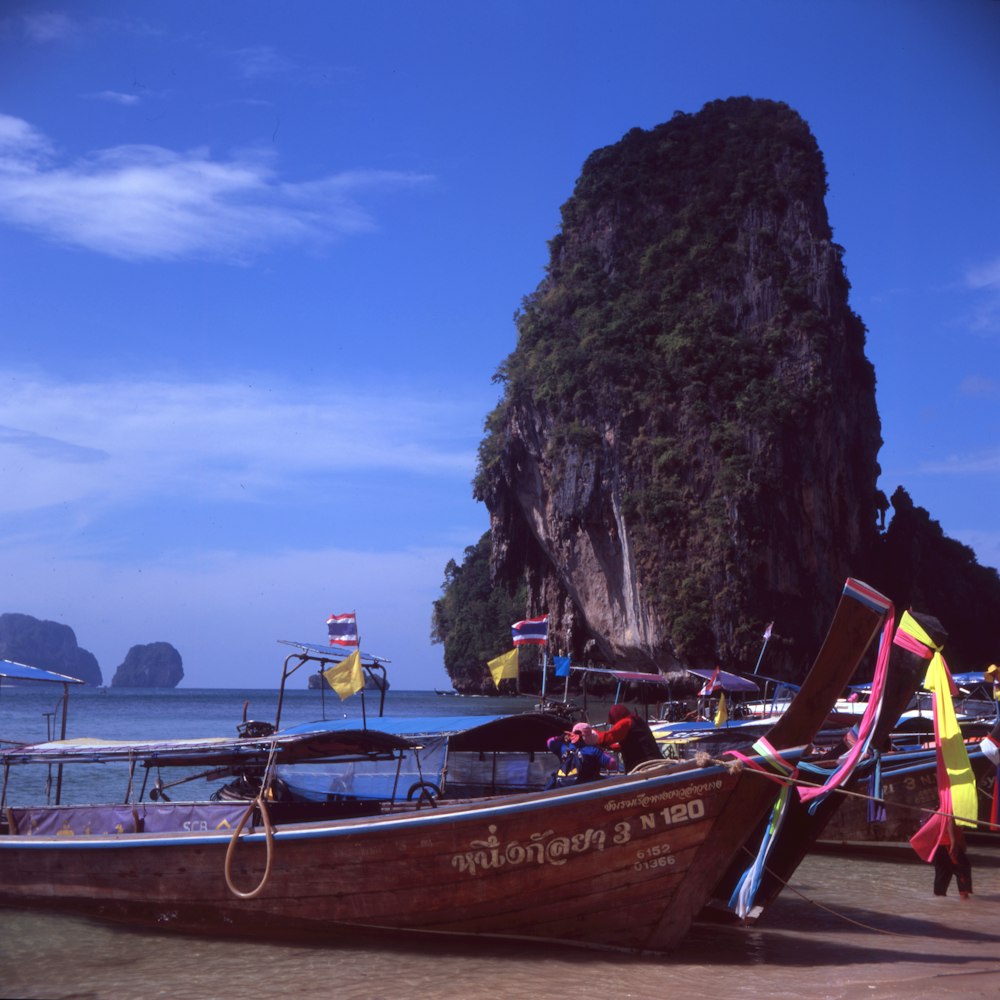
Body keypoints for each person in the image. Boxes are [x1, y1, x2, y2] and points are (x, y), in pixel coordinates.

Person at [545, 722, 618, 789]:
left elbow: (549, 742)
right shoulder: (593, 750)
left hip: (563, 787)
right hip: (586, 789)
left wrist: (561, 737)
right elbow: (612, 764)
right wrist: (602, 752)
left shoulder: (563, 748)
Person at [598, 704, 663, 772]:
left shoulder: (626, 722)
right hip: (656, 761)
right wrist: (612, 747)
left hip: (645, 766)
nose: (614, 724)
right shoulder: (638, 720)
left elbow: (606, 738)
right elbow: (635, 744)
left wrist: (590, 733)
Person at [932, 819, 973, 899]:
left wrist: (961, 841)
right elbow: (949, 820)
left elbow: (957, 825)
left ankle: (938, 902)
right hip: (948, 843)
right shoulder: (952, 807)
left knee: (944, 872)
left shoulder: (947, 807)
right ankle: (965, 901)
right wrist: (953, 842)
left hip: (943, 843)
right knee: (963, 869)